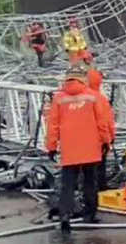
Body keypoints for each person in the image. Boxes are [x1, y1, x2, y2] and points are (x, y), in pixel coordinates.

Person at [46, 65, 110, 230]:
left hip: (69, 149)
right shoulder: (92, 97)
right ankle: (90, 214)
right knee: (90, 182)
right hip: (90, 147)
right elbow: (101, 122)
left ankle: (65, 216)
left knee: (68, 184)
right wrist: (105, 141)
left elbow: (52, 125)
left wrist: (51, 146)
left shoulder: (58, 98)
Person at [87, 65, 116, 191]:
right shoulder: (100, 99)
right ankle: (101, 188)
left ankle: (86, 189)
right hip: (98, 139)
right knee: (100, 165)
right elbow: (107, 121)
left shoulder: (77, 98)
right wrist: (110, 137)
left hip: (81, 141)